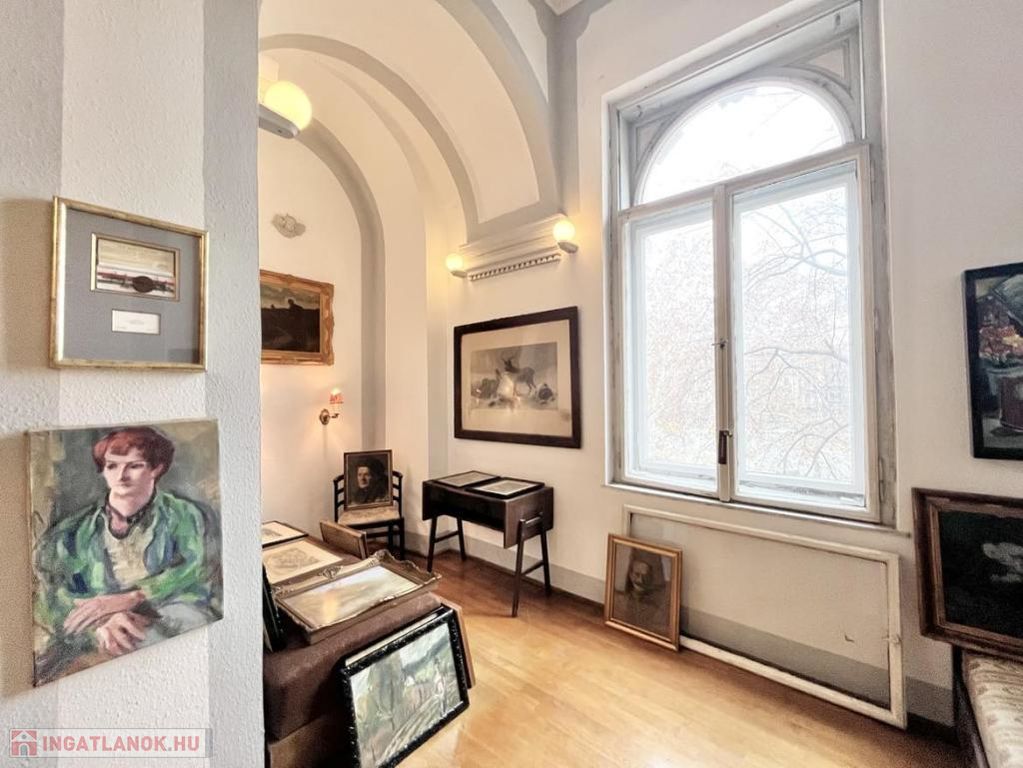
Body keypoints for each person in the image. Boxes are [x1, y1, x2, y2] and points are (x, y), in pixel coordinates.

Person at [34, 426, 219, 684]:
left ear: (156, 468)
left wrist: (132, 598)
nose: (121, 476)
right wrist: (98, 627)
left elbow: (193, 570)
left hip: (169, 613)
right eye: (111, 466)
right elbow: (50, 596)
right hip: (100, 630)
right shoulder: (72, 533)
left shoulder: (183, 515)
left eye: (134, 466)